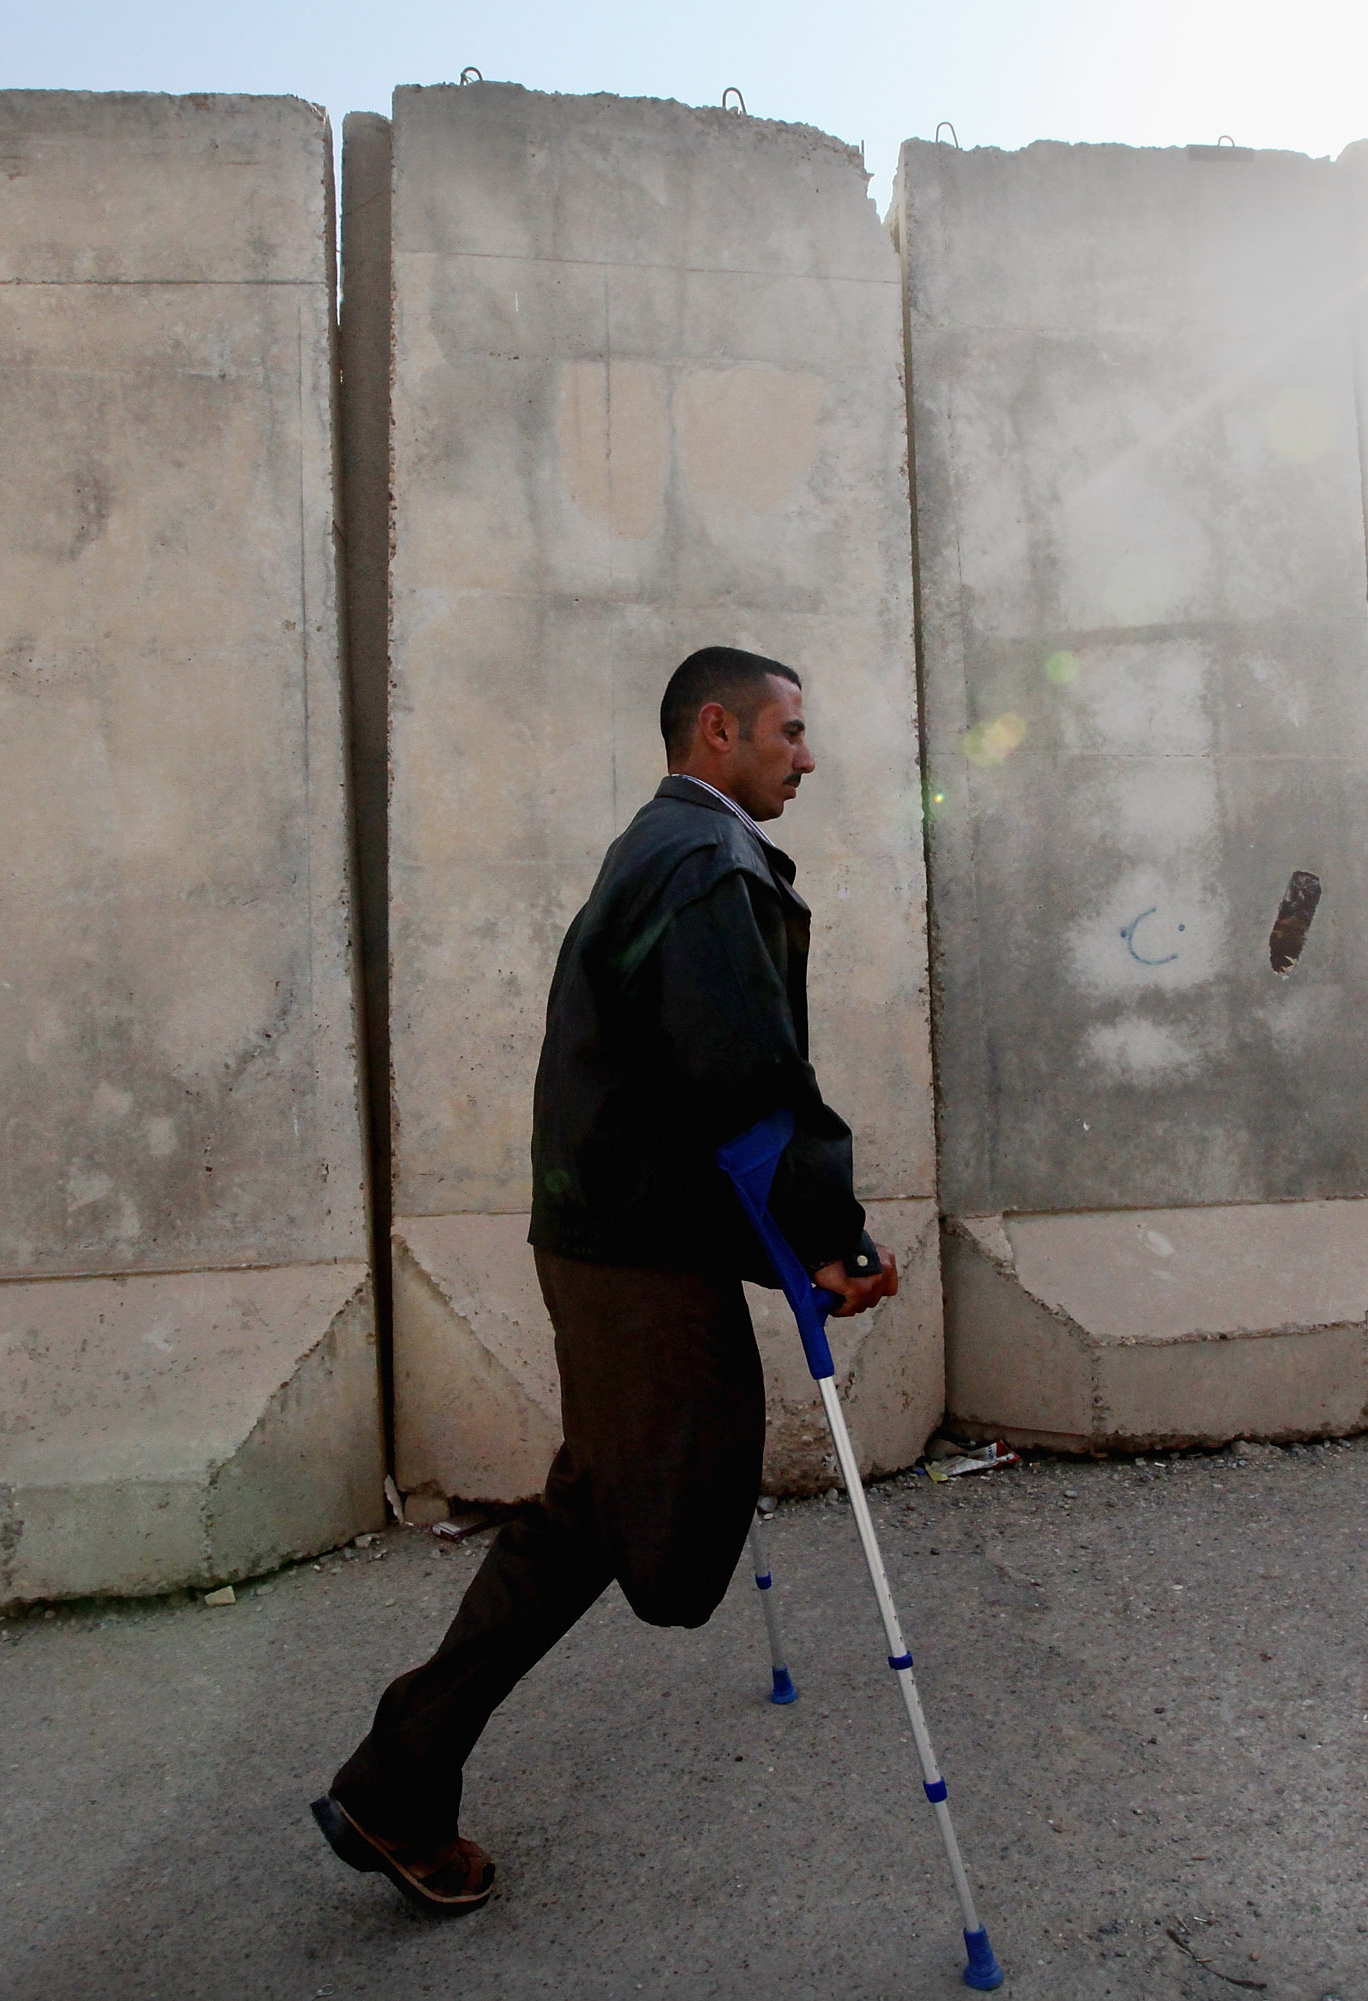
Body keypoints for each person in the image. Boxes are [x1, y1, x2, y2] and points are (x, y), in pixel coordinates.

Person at [312, 645, 901, 1915]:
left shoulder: (668, 845)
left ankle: (398, 1777)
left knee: (591, 1505)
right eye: (789, 732)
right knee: (671, 1549)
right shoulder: (702, 866)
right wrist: (829, 1247)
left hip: (614, 1239)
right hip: (637, 1259)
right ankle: (396, 1768)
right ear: (715, 730)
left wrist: (797, 1246)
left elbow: (679, 1088)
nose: (808, 756)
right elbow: (750, 1087)